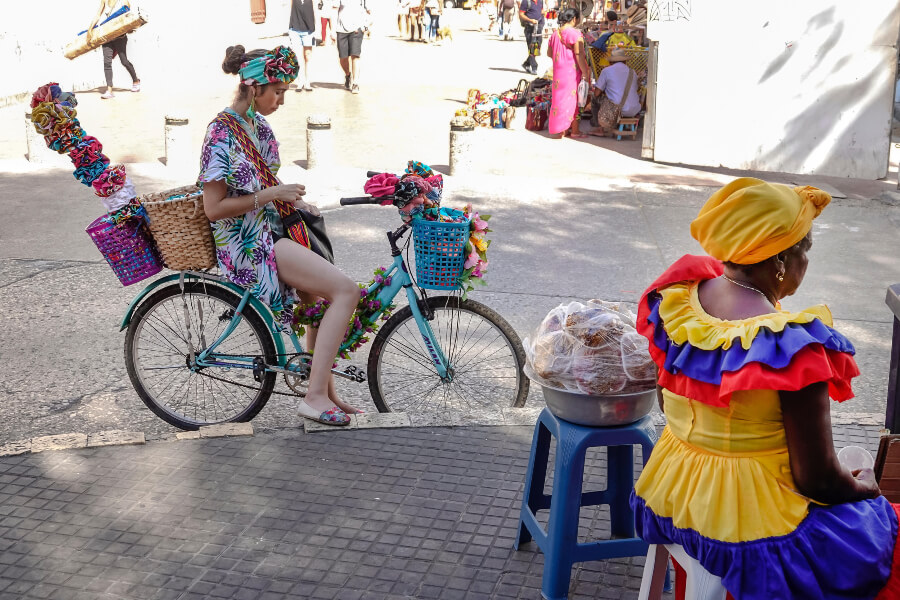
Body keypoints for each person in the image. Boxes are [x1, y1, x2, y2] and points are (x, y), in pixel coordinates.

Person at [631, 177, 900, 598]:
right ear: (779, 262)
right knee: (882, 530)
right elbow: (818, 479)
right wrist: (864, 487)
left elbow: (668, 405)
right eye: (805, 251)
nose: (806, 264)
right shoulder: (790, 346)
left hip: (671, 495)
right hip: (747, 530)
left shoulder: (678, 303)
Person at [199, 44, 362, 426]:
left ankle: (323, 388)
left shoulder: (258, 127)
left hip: (270, 232)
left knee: (319, 303)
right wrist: (271, 194)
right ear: (254, 87)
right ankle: (315, 397)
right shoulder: (220, 134)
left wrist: (294, 202)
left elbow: (266, 185)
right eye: (279, 91)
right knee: (346, 291)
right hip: (247, 245)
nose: (282, 100)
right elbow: (213, 208)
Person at [546, 8, 590, 139]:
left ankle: (562, 130)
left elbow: (549, 53)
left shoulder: (555, 34)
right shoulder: (575, 34)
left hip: (559, 73)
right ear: (574, 19)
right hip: (572, 72)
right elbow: (579, 54)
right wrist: (585, 72)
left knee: (559, 101)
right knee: (574, 100)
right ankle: (575, 131)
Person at [86, 0, 140, 100]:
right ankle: (109, 90)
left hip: (120, 37)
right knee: (107, 62)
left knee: (124, 61)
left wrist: (131, 28)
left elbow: (128, 17)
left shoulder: (123, 1)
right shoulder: (104, 1)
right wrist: (90, 28)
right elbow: (98, 15)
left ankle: (136, 80)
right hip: (107, 36)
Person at [588, 47, 640, 137]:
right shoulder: (633, 72)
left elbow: (596, 93)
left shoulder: (606, 71)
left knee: (595, 98)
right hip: (634, 110)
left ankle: (599, 128)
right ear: (625, 61)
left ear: (611, 62)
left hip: (616, 110)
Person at [335, 0, 370, 93]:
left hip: (357, 30)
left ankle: (355, 83)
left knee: (355, 56)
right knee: (343, 57)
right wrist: (331, 30)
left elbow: (369, 11)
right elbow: (333, 9)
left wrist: (365, 26)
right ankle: (348, 75)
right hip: (341, 29)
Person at [288, 0, 316, 91]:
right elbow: (290, 7)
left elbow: (315, 9)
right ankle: (300, 82)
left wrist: (316, 28)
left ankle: (308, 82)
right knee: (298, 56)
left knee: (307, 56)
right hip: (295, 29)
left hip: (308, 30)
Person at [519, 0, 544, 75]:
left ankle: (526, 64)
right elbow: (521, 14)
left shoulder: (540, 1)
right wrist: (530, 20)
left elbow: (541, 10)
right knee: (532, 47)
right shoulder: (526, 2)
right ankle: (534, 67)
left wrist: (543, 14)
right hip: (529, 27)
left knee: (537, 47)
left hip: (539, 27)